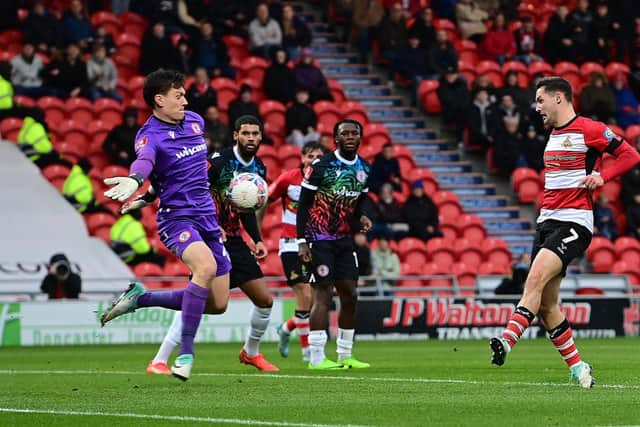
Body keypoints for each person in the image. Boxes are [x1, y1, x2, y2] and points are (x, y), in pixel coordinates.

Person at [489, 77, 640, 388]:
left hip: (574, 223)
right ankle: (579, 367)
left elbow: (631, 155)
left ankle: (506, 341)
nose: (537, 106)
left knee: (532, 279)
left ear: (559, 98)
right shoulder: (553, 134)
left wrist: (603, 176)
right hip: (546, 223)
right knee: (547, 306)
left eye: (541, 100)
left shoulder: (590, 129)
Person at [100, 69, 232, 382]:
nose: (185, 100)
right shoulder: (149, 135)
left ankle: (139, 299)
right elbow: (146, 161)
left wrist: (146, 196)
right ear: (159, 100)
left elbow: (180, 172)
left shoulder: (196, 121)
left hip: (207, 218)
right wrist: (134, 179)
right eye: (178, 95)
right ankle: (185, 353)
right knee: (205, 267)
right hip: (177, 218)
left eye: (184, 94)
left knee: (218, 304)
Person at [145, 115, 280, 375]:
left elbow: (247, 209)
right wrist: (207, 222)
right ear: (235, 135)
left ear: (261, 137)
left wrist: (258, 239)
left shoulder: (259, 168)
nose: (251, 138)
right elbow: (195, 189)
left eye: (255, 133)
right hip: (208, 236)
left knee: (264, 300)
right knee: (200, 297)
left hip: (235, 239)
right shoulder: (219, 162)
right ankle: (160, 359)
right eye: (246, 133)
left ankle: (250, 353)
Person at [297, 119, 372, 369]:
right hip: (319, 239)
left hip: (343, 241)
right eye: (345, 133)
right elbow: (304, 204)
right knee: (323, 294)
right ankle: (317, 358)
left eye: (355, 133)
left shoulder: (364, 167)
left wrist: (362, 216)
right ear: (336, 138)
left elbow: (360, 200)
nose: (350, 137)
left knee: (350, 294)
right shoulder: (322, 166)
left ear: (360, 138)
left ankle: (345, 354)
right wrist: (302, 241)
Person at [267, 141, 326, 361]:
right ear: (302, 157)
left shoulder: (326, 180)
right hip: (291, 242)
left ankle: (286, 327)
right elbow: (265, 201)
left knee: (311, 299)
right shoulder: (288, 179)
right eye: (310, 156)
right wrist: (257, 236)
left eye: (318, 156)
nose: (313, 160)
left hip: (316, 241)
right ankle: (307, 350)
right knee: (305, 293)